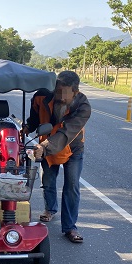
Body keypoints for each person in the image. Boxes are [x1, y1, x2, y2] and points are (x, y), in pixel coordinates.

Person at [26, 71, 91, 243]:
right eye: (57, 91)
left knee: (72, 185)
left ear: (75, 92)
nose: (60, 96)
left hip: (72, 148)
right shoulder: (41, 96)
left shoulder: (83, 106)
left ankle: (70, 227)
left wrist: (44, 147)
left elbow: (66, 133)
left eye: (65, 93)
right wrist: (26, 129)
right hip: (47, 146)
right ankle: (50, 209)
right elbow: (34, 118)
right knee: (47, 180)